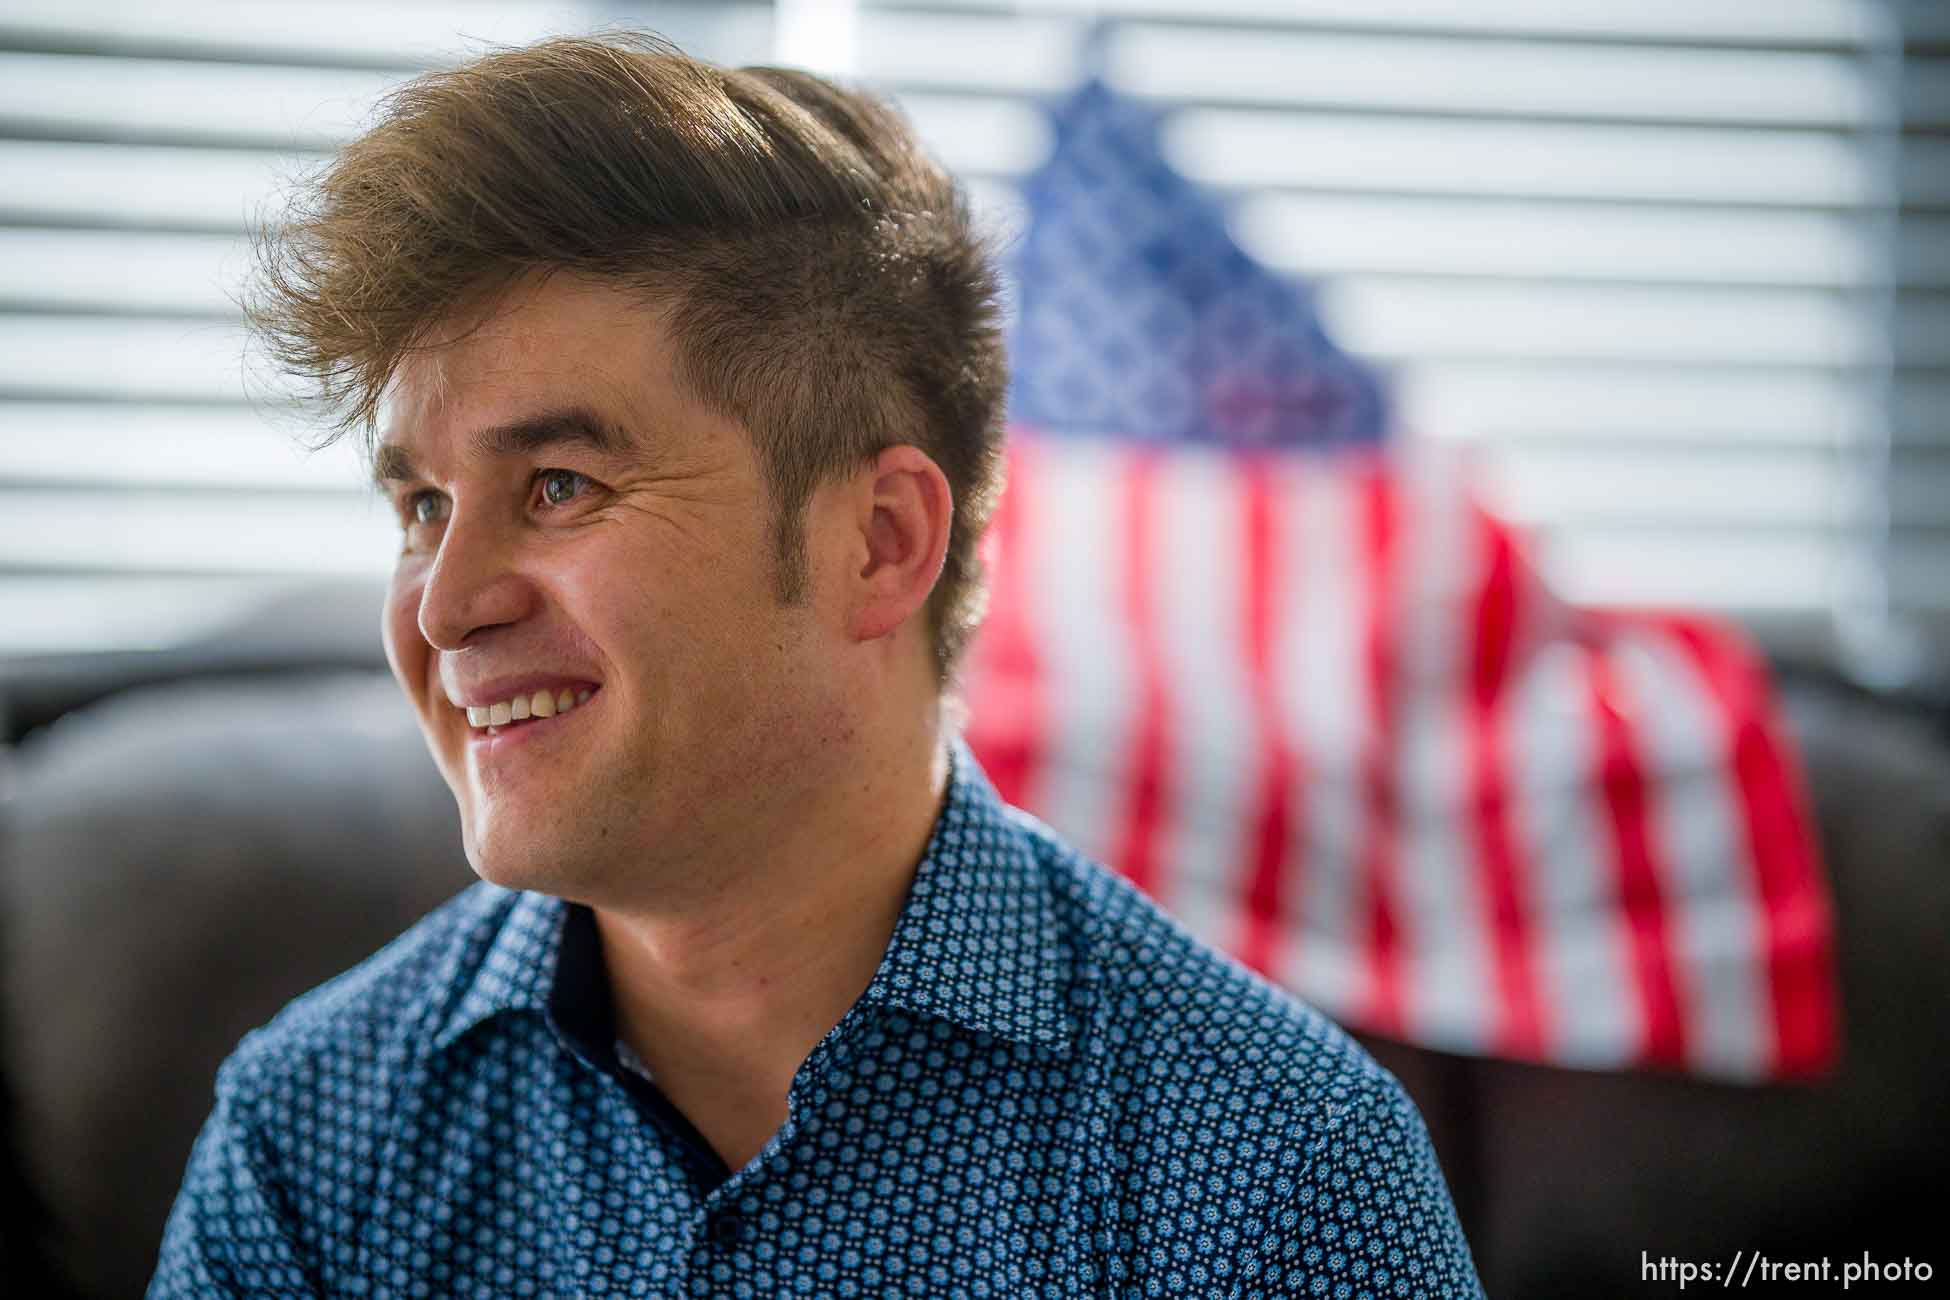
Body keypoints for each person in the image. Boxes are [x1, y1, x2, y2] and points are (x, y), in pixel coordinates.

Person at [148, 33, 1482, 1298]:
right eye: (422, 508)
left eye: (558, 485)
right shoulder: (314, 1138)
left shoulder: (1275, 1173)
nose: (443, 609)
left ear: (877, 543)